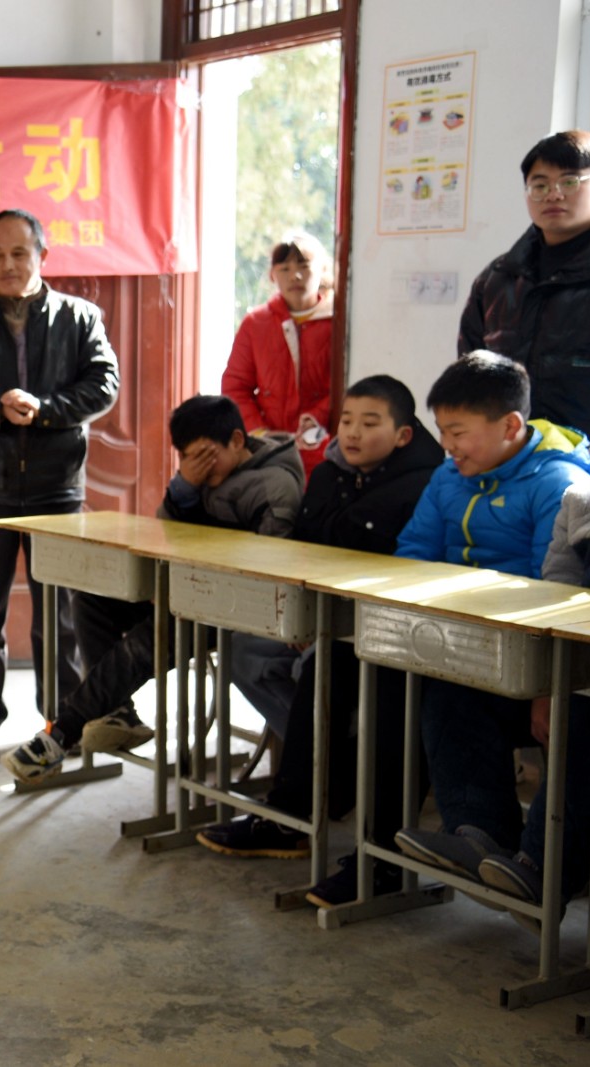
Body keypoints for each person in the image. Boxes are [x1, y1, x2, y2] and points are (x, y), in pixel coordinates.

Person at [193, 376, 445, 907]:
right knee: (253, 652)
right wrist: (299, 619)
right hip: (329, 624)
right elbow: (304, 551)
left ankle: (379, 855)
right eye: (346, 420)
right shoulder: (329, 473)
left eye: (369, 423)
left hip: (397, 633)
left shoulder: (427, 482)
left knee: (369, 687)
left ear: (402, 434)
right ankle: (297, 810)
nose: (351, 433)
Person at [390, 352, 590, 921]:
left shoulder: (560, 482)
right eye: (442, 432)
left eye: (459, 433)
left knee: (575, 732)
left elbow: (552, 596)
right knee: (444, 694)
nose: (448, 446)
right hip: (476, 651)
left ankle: (540, 872)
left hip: (543, 665)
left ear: (510, 426)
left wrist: (543, 686)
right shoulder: (448, 476)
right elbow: (413, 556)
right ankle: (480, 836)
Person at [1, 394, 303, 781]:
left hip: (233, 608)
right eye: (189, 459)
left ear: (238, 441)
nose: (200, 468)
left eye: (206, 457)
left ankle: (61, 732)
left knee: (147, 640)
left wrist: (186, 586)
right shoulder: (203, 476)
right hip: (191, 591)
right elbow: (171, 535)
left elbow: (266, 572)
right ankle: (118, 714)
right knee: (94, 599)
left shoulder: (276, 487)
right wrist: (183, 489)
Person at [0, 209, 121, 757]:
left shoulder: (81, 319)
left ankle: (62, 720)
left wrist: (47, 410)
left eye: (19, 253)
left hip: (56, 488)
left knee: (57, 613)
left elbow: (104, 385)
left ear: (42, 256)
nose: (8, 265)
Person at [455, 374, 590, 915]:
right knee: (458, 689)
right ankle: (477, 838)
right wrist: (544, 690)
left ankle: (541, 873)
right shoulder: (580, 502)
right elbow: (555, 603)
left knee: (589, 718)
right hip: (583, 676)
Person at [459, 130, 590, 436]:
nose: (553, 194)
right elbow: (469, 375)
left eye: (569, 181)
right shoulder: (498, 278)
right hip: (507, 458)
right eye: (539, 185)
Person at [221, 231, 336, 477]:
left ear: (322, 270)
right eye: (284, 268)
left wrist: (316, 417)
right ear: (273, 275)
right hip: (269, 449)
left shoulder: (338, 323)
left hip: (326, 443)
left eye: (303, 266)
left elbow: (346, 384)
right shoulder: (256, 323)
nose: (294, 275)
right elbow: (235, 386)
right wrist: (259, 432)